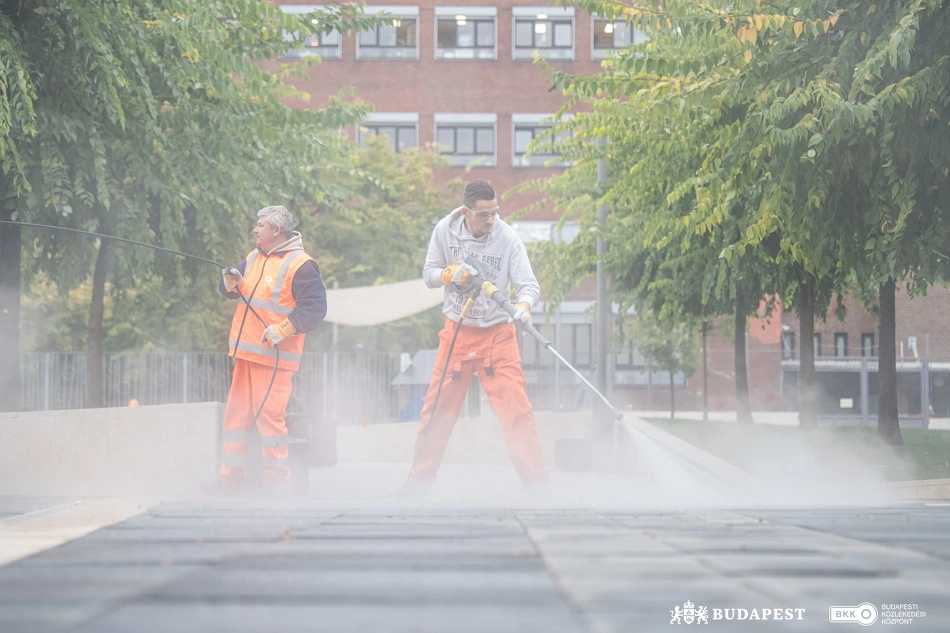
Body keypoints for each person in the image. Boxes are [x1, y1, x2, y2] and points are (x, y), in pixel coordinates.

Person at [403, 179, 548, 495]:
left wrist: (523, 307)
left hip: (498, 336)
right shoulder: (445, 230)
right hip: (456, 331)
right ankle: (419, 482)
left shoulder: (507, 238)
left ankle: (536, 484)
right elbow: (429, 273)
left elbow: (530, 286)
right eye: (484, 215)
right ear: (466, 212)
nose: (491, 220)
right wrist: (449, 274)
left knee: (516, 410)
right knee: (437, 411)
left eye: (495, 213)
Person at [202, 206, 326, 495]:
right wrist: (230, 282)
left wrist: (284, 329)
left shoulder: (302, 265)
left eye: (260, 226)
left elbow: (315, 308)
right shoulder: (254, 256)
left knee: (270, 420)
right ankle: (230, 479)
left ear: (276, 231)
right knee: (236, 418)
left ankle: (277, 482)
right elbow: (231, 289)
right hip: (246, 356)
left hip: (274, 358)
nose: (255, 230)